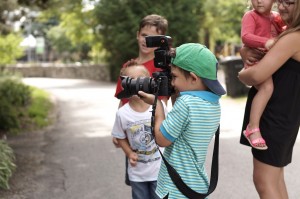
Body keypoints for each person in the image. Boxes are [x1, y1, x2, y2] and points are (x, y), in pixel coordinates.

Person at [138, 43, 226, 199]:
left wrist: (158, 105)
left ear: (193, 77)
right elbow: (184, 125)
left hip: (175, 189)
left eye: (174, 77)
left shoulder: (186, 104)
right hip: (196, 185)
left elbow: (162, 139)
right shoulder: (213, 104)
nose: (172, 83)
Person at [238, 0, 300, 198]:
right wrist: (245, 52)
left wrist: (242, 74)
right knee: (274, 178)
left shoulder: (293, 37)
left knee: (264, 180)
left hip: (276, 114)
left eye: (289, 2)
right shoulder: (287, 32)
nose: (281, 7)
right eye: (280, 1)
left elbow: (255, 76)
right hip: (284, 113)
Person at [112, 14, 169, 186]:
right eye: (144, 35)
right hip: (132, 135)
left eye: (152, 38)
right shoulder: (128, 67)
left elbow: (164, 102)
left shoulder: (162, 66)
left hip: (154, 134)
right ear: (138, 34)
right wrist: (117, 130)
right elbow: (122, 99)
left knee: (158, 186)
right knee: (138, 184)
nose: (146, 41)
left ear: (160, 41)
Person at [111, 65, 167, 199]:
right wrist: (129, 153)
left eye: (140, 80)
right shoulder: (122, 114)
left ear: (149, 82)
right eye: (131, 81)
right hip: (137, 173)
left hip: (159, 170)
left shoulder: (159, 106)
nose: (136, 85)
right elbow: (119, 137)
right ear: (124, 85)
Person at [240, 0, 286, 150]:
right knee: (267, 88)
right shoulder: (250, 16)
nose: (259, 0)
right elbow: (246, 36)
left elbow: (284, 32)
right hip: (256, 61)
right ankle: (252, 128)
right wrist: (266, 42)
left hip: (271, 61)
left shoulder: (276, 17)